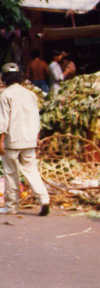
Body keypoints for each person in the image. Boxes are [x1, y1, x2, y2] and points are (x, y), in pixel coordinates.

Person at [0, 63, 50, 216]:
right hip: (29, 139)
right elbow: (36, 118)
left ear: (5, 78)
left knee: (10, 172)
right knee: (31, 170)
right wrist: (36, 137)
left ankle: (12, 206)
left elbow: (3, 121)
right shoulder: (30, 94)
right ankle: (44, 199)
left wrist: (0, 141)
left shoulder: (5, 95)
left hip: (12, 140)